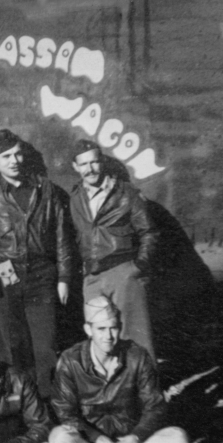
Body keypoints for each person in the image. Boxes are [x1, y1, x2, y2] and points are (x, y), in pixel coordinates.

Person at [0, 129, 73, 400]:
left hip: (42, 276)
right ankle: (18, 407)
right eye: (6, 156)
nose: (14, 160)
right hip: (6, 273)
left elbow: (62, 237)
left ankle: (49, 406)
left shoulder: (47, 190)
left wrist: (64, 277)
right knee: (10, 347)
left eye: (18, 153)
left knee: (46, 349)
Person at [49, 296, 189, 443]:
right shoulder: (70, 361)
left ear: (120, 327)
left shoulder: (137, 357)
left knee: (179, 438)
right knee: (59, 437)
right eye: (101, 329)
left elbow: (155, 407)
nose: (108, 336)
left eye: (113, 328)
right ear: (88, 329)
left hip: (130, 441)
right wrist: (102, 442)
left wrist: (131, 442)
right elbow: (65, 413)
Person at [69, 139, 159, 361]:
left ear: (102, 162)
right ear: (75, 167)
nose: (90, 169)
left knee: (136, 336)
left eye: (94, 162)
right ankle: (112, 388)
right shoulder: (75, 197)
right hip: (92, 276)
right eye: (84, 164)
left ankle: (146, 391)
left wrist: (137, 268)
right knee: (100, 337)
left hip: (123, 272)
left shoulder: (126, 192)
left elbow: (149, 232)